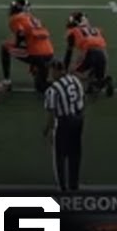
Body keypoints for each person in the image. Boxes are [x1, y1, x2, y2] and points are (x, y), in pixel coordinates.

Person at [43, 60, 86, 191]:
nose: (51, 73)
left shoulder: (53, 89)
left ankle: (62, 187)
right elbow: (82, 100)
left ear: (57, 71)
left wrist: (47, 130)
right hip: (78, 120)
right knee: (75, 154)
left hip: (64, 122)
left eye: (52, 70)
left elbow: (51, 113)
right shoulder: (75, 80)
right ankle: (74, 184)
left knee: (60, 155)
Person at [0, 0, 54, 94]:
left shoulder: (16, 19)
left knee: (5, 47)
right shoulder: (33, 18)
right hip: (49, 53)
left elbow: (21, 34)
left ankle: (6, 81)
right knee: (41, 86)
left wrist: (15, 44)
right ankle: (60, 84)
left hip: (36, 54)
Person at [63, 12, 114, 97]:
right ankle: (105, 81)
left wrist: (65, 68)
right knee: (99, 80)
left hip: (90, 53)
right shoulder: (95, 29)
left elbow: (69, 52)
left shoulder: (74, 31)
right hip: (103, 53)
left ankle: (83, 87)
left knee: (73, 72)